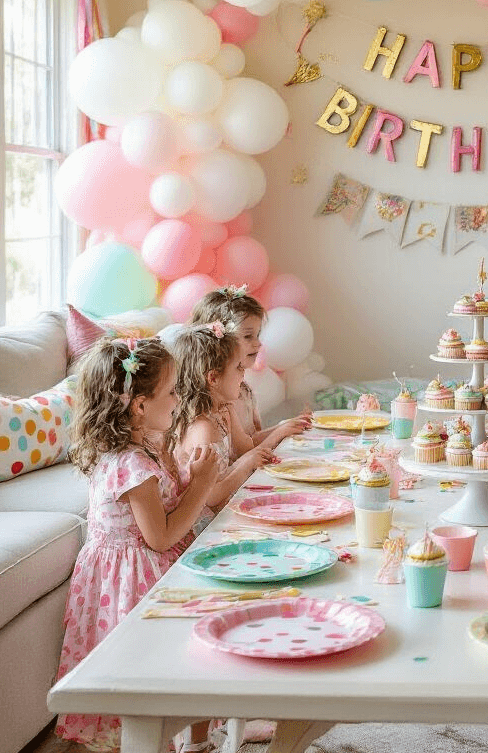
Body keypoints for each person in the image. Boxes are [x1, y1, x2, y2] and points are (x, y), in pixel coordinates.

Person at [54, 337, 217, 752]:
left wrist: (189, 476)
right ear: (140, 405)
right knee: (149, 671)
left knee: (189, 656)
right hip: (133, 578)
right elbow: (159, 535)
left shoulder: (151, 445)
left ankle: (198, 739)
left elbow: (168, 512)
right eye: (173, 391)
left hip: (154, 562)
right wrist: (202, 484)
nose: (180, 398)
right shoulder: (130, 463)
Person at [170, 322, 278, 512]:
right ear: (213, 378)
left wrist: (248, 457)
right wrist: (246, 463)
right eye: (238, 368)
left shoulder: (217, 414)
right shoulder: (203, 428)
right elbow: (210, 496)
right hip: (206, 526)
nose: (243, 374)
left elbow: (239, 455)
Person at [190, 286, 311, 451]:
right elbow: (244, 453)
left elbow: (252, 440)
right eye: (248, 336)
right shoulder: (215, 399)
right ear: (219, 341)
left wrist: (287, 426)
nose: (258, 343)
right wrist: (280, 432)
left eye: (258, 335)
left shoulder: (244, 390)